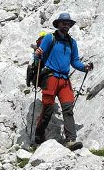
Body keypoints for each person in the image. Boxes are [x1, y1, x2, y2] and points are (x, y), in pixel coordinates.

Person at [33, 12, 93, 148]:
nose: (66, 26)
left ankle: (70, 140)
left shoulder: (72, 43)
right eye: (63, 23)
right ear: (58, 24)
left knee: (68, 109)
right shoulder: (50, 38)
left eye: (68, 24)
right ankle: (39, 135)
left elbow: (75, 61)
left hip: (65, 80)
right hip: (51, 77)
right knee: (48, 108)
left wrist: (85, 67)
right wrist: (37, 55)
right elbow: (39, 55)